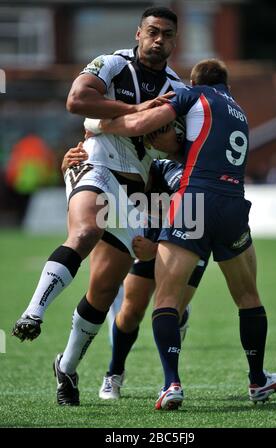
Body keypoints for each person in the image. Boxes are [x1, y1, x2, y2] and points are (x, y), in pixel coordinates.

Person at [12, 6, 185, 407]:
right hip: (94, 164)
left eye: (168, 35)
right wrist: (132, 109)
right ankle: (33, 314)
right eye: (153, 32)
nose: (159, 40)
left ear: (175, 42)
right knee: (85, 231)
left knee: (104, 291)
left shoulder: (178, 88)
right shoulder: (112, 63)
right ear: (138, 33)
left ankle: (66, 368)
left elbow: (176, 147)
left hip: (133, 191)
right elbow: (77, 100)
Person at [99, 58, 276, 410]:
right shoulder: (241, 113)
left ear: (194, 82)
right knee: (249, 298)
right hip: (233, 204)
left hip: (193, 201)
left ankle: (171, 385)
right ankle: (258, 380)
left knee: (166, 300)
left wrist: (100, 123)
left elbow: (140, 122)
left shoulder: (192, 96)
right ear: (226, 84)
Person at [61, 144, 206, 400]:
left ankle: (171, 383)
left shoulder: (166, 169)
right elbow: (84, 199)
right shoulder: (108, 170)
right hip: (142, 241)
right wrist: (70, 171)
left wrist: (158, 247)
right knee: (130, 312)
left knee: (170, 310)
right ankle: (114, 373)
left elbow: (193, 209)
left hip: (181, 240)